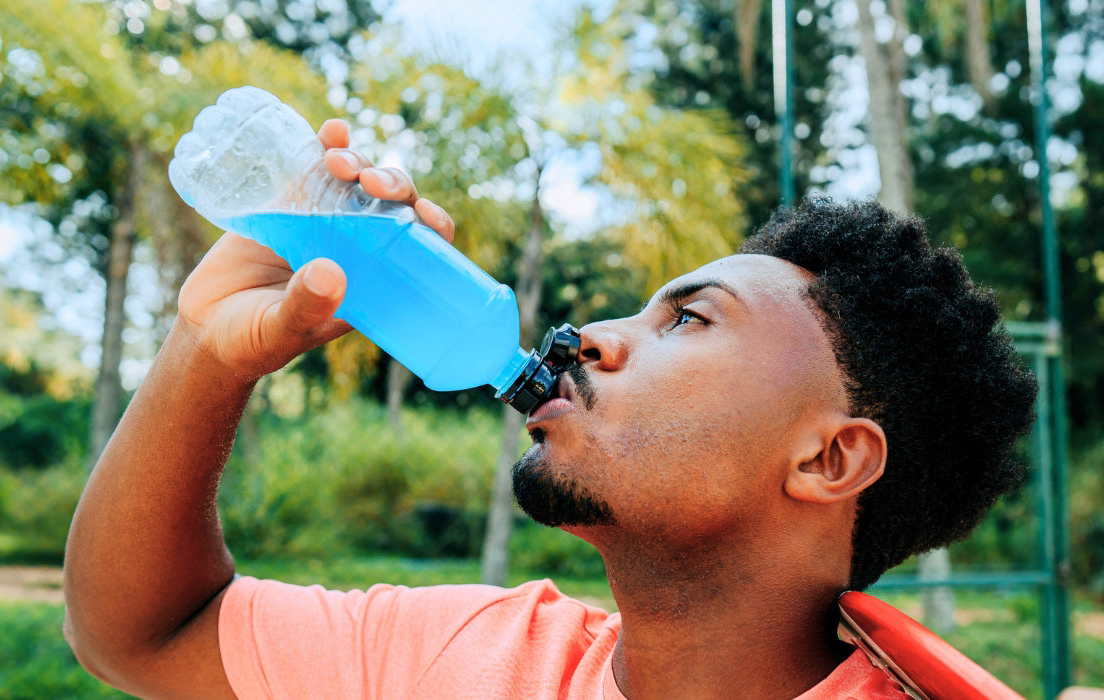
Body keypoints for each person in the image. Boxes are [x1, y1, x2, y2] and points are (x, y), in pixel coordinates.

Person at [62, 118, 1039, 700]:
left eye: (688, 318)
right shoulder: (466, 660)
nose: (588, 333)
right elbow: (143, 631)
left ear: (828, 459)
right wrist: (207, 349)